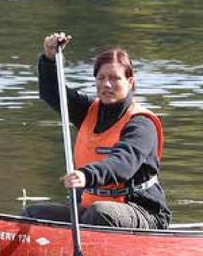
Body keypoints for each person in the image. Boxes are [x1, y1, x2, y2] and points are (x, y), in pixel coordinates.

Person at [25, 32, 169, 229]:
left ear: (130, 82)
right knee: (34, 214)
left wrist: (86, 175)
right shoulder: (87, 110)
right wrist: (50, 58)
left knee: (100, 213)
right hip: (89, 207)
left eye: (115, 78)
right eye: (101, 78)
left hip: (142, 211)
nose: (106, 84)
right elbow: (52, 92)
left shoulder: (141, 124)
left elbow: (123, 164)